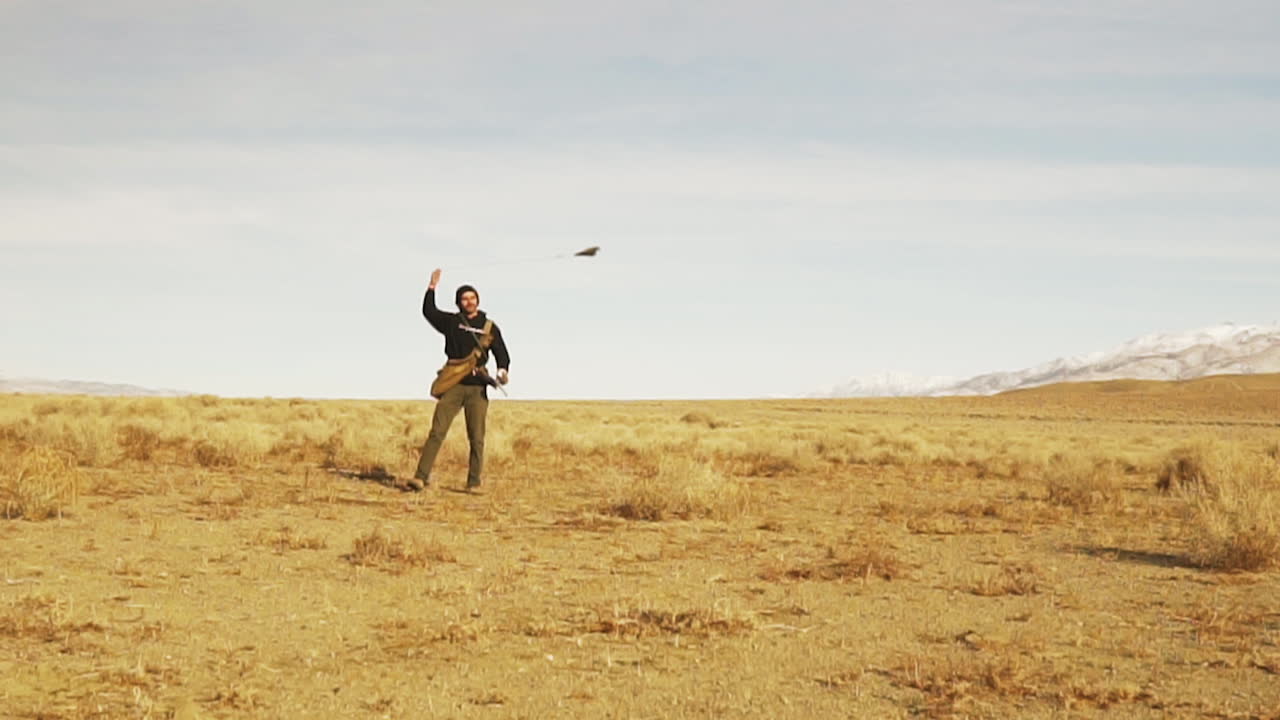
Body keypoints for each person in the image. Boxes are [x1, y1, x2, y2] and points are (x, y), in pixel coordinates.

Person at [409, 268, 510, 492]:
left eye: (472, 298)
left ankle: (474, 483)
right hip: (453, 384)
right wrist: (432, 287)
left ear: (478, 300)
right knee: (437, 431)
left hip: (477, 388)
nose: (469, 301)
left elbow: (501, 352)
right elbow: (429, 311)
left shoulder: (490, 327)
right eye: (464, 299)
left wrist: (502, 370)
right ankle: (420, 477)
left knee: (476, 437)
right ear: (459, 302)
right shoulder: (452, 322)